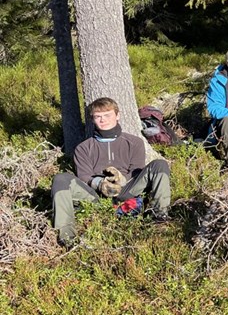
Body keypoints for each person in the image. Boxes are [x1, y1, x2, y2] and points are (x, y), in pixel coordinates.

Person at [50, 97, 171, 246]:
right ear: (92, 119)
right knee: (61, 179)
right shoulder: (83, 148)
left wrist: (121, 180)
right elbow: (84, 176)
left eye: (107, 115)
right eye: (98, 116)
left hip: (127, 190)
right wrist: (99, 183)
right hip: (96, 196)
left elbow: (136, 170)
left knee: (160, 165)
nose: (103, 120)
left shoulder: (135, 142)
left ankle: (159, 217)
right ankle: (66, 239)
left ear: (117, 115)